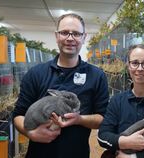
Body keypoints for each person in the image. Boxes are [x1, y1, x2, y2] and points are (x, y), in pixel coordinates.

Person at [12, 13, 109, 158]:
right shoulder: (36, 74)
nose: (70, 38)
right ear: (57, 36)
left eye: (76, 33)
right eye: (64, 33)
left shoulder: (96, 76)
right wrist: (31, 133)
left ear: (84, 37)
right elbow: (18, 114)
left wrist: (79, 119)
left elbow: (103, 118)